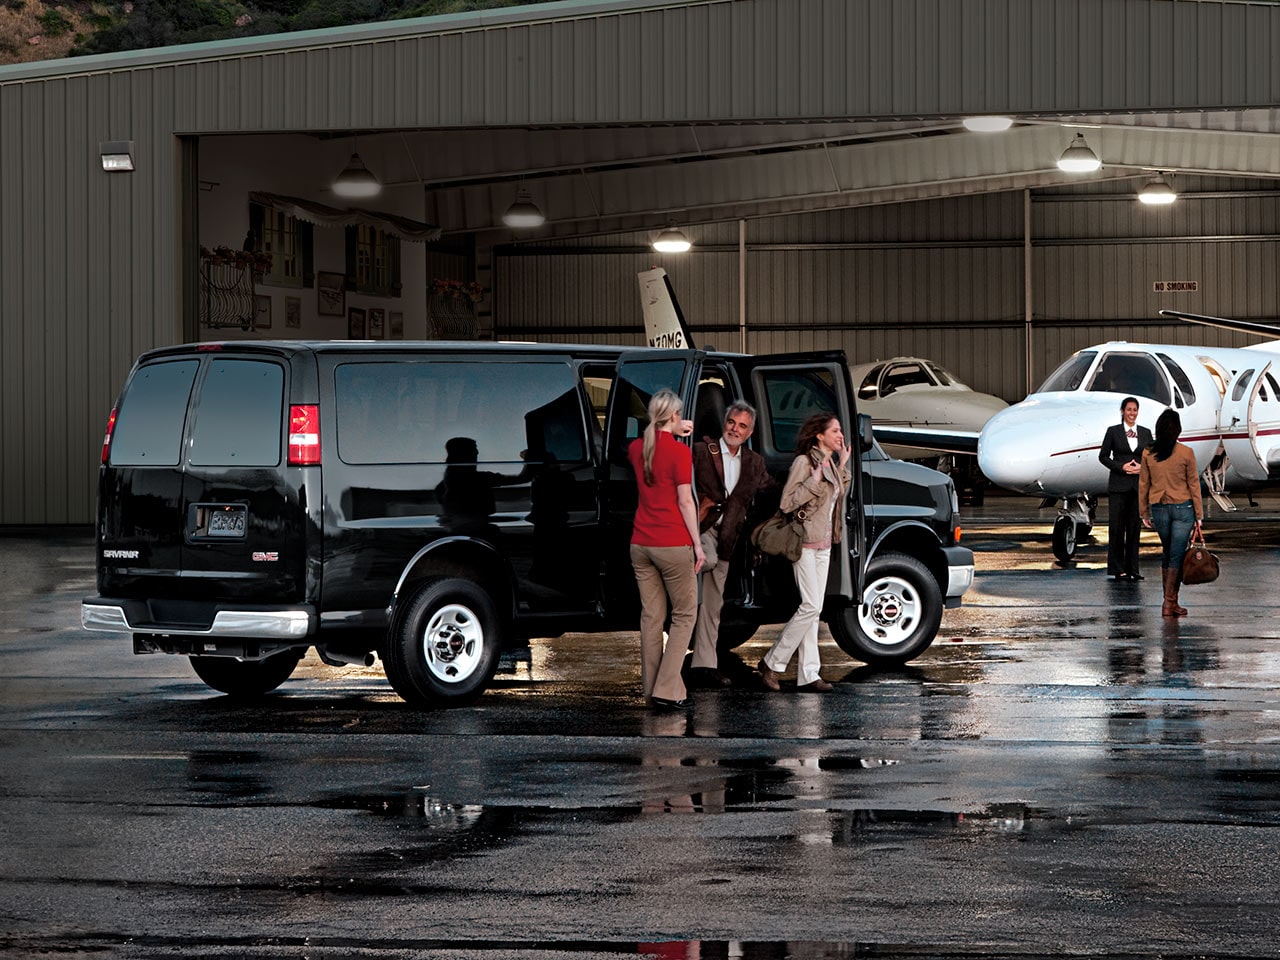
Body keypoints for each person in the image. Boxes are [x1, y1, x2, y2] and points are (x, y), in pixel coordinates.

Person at [758, 412, 852, 693]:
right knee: (810, 606)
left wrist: (842, 467)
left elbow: (835, 498)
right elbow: (787, 503)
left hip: (824, 545)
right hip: (804, 544)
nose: (840, 436)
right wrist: (813, 481)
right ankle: (772, 663)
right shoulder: (804, 462)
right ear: (819, 435)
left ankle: (809, 673)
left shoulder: (831, 463)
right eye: (835, 431)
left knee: (815, 609)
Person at [628, 388, 705, 710]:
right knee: (685, 615)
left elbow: (657, 440)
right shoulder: (679, 453)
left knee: (651, 618)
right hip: (672, 543)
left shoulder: (636, 447)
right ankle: (667, 689)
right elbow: (686, 501)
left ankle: (652, 691)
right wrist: (698, 546)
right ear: (673, 416)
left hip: (640, 543)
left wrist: (675, 429)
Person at [688, 400, 771, 689]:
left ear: (750, 432)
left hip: (727, 539)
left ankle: (704, 665)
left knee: (713, 606)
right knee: (705, 563)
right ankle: (685, 568)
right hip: (699, 530)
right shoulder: (701, 451)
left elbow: (771, 493)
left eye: (742, 426)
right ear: (724, 423)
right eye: (731, 423)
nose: (735, 429)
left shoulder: (754, 463)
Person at [1139, 408, 1203, 618]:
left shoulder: (1148, 452)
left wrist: (1144, 512)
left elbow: (1144, 484)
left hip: (1159, 508)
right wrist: (1199, 515)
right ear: (1177, 430)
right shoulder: (1186, 453)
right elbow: (1194, 484)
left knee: (1168, 553)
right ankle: (1169, 603)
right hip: (1183, 509)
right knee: (1175, 555)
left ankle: (1171, 601)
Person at [1098, 397, 1152, 581]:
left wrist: (1141, 468)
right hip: (1118, 487)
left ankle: (1133, 569)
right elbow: (1103, 456)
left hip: (1137, 487)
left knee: (1134, 529)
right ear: (1122, 411)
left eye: (1135, 410)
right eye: (1129, 409)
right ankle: (1117, 569)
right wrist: (1121, 467)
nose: (1132, 413)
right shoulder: (1113, 432)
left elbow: (1151, 458)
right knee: (1117, 528)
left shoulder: (1145, 433)